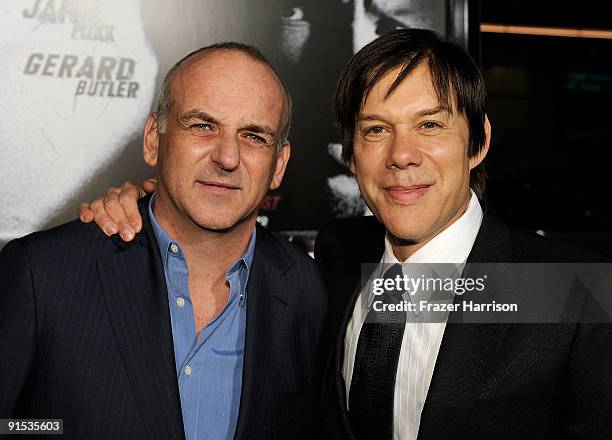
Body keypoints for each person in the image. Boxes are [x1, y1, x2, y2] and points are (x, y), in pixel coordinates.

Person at [77, 30, 612, 439]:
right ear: (351, 156)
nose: (402, 155)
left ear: (478, 142)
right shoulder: (337, 258)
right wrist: (149, 203)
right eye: (376, 130)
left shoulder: (574, 295)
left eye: (430, 125)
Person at [0, 43, 327, 439]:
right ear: (154, 138)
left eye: (254, 136)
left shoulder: (310, 290)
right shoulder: (43, 274)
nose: (227, 157)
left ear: (278, 165)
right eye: (203, 126)